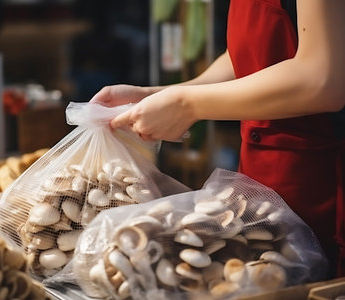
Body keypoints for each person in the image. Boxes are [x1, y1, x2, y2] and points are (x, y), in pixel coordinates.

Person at [90, 0, 345, 278]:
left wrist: (187, 105)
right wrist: (157, 94)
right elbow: (246, 55)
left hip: (325, 189)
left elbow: (322, 79)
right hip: (262, 187)